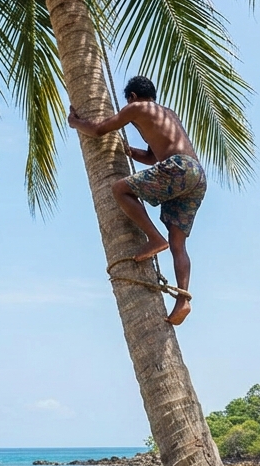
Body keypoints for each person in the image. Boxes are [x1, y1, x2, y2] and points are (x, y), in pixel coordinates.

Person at [66, 76, 206, 325]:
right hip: (196, 174)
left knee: (120, 189)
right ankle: (183, 299)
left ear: (132, 96)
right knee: (178, 243)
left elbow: (98, 130)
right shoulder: (167, 114)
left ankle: (154, 238)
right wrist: (129, 151)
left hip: (178, 168)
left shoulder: (137, 108)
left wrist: (76, 122)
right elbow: (153, 157)